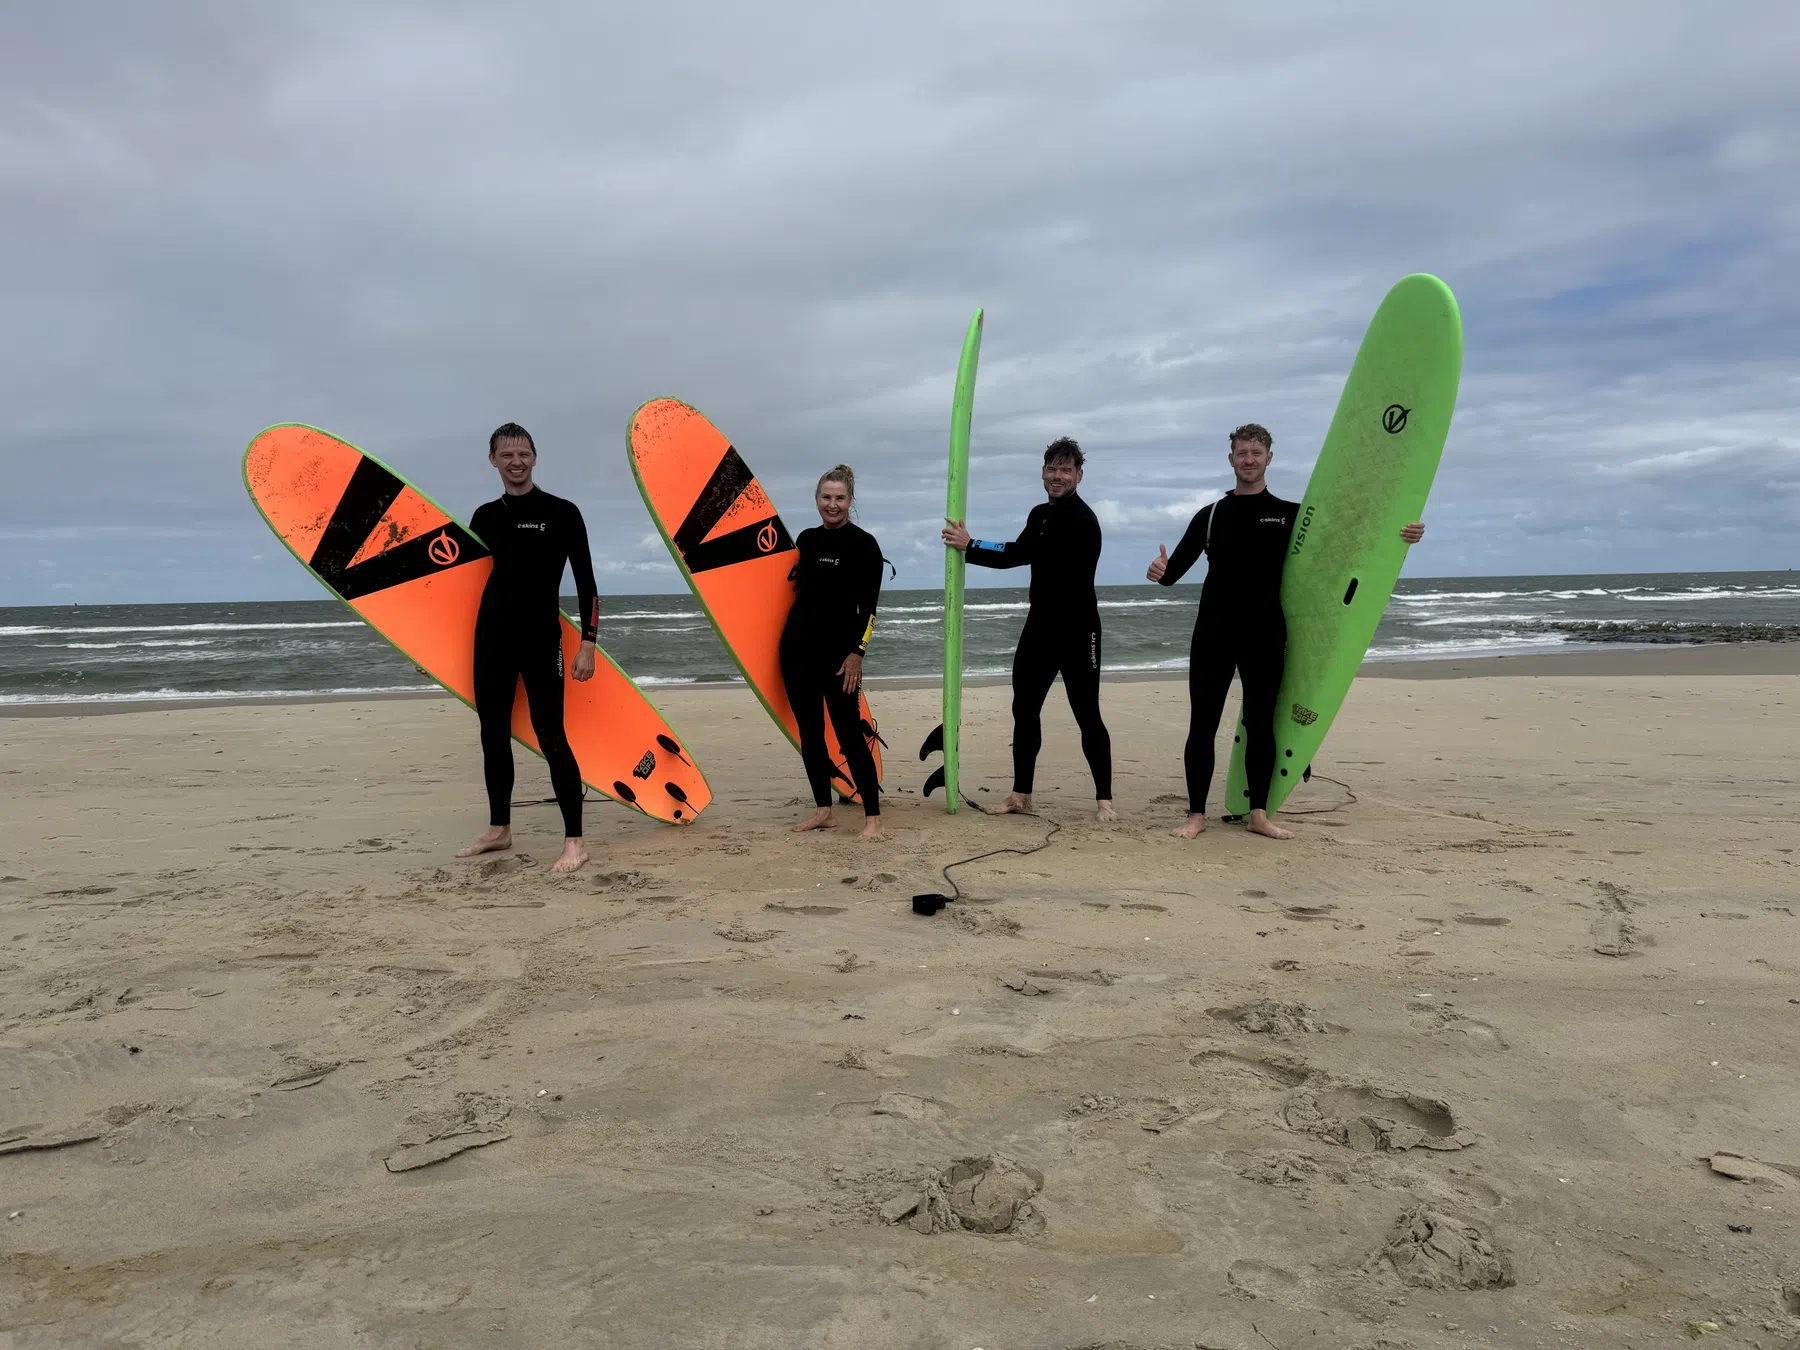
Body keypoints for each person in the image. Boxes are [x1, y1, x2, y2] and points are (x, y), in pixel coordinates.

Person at [1146, 422, 1424, 841]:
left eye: (1257, 453)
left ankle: (1258, 813)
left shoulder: (1292, 516)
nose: (1249, 460)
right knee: (1202, 724)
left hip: (1264, 631)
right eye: (1242, 453)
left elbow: (1349, 542)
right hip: (1214, 632)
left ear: (1269, 458)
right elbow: (1173, 574)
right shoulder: (1211, 516)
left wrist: (1404, 534)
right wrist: (1159, 571)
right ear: (1231, 459)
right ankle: (1196, 814)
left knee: (1262, 724)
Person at [941, 437, 1116, 821]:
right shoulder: (1039, 514)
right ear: (1042, 473)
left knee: (1087, 712)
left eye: (1065, 470)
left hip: (1079, 630)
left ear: (1079, 476)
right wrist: (971, 547)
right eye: (1052, 469)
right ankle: (1022, 795)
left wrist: (971, 546)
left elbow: (1022, 554)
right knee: (1024, 709)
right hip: (1040, 627)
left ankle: (1105, 801)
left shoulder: (1084, 521)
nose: (1057, 476)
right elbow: (1023, 548)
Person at [457, 423, 598, 874]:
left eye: (523, 454)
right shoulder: (483, 517)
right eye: (506, 455)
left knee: (551, 734)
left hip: (541, 638)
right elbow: (463, 589)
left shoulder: (562, 512)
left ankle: (575, 841)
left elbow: (587, 585)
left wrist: (589, 644)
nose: (515, 462)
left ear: (535, 458)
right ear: (493, 460)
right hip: (492, 637)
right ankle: (500, 829)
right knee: (492, 735)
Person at [781, 464, 885, 841]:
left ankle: (873, 817)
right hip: (797, 651)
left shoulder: (864, 545)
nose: (833, 504)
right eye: (826, 497)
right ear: (817, 500)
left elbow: (870, 611)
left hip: (840, 659)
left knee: (848, 735)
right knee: (810, 733)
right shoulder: (806, 540)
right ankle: (823, 810)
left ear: (850, 501)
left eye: (840, 498)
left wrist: (858, 653)